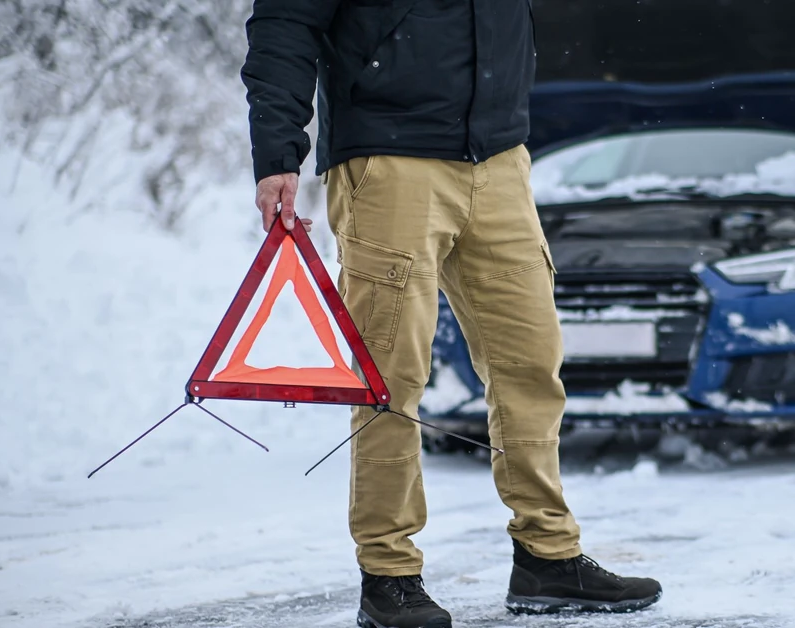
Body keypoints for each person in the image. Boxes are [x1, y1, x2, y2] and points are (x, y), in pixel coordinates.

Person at [239, 1, 661, 627]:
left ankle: (546, 556)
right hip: (389, 157)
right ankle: (388, 574)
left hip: (499, 157)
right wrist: (278, 151)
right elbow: (286, 20)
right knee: (390, 377)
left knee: (530, 363)